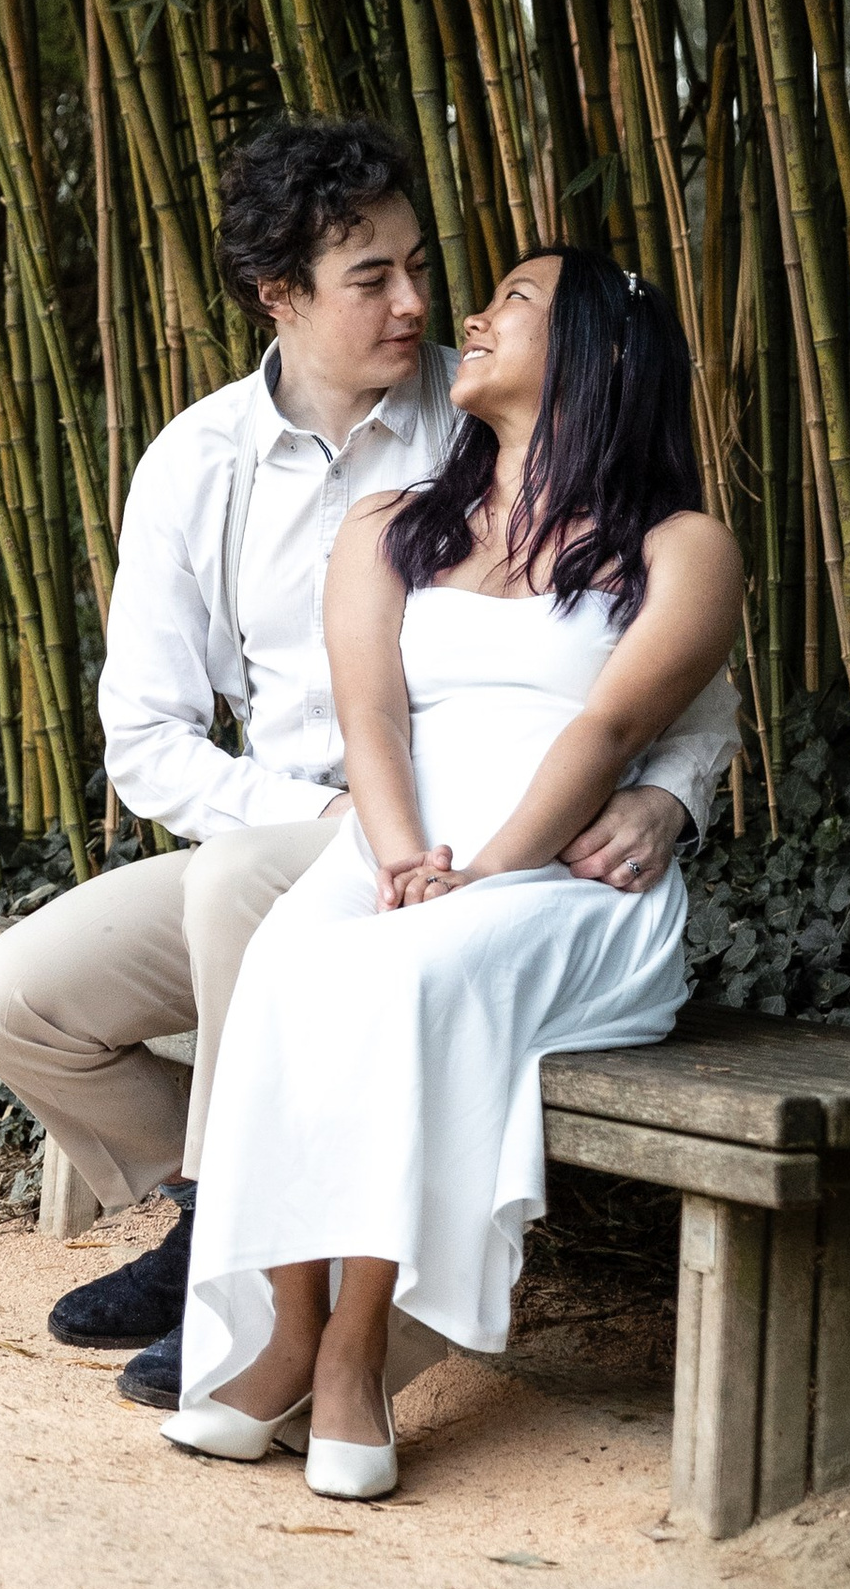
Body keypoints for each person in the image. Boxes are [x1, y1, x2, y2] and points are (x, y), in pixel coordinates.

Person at [0, 121, 738, 1411]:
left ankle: (254, 1267)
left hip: (474, 836)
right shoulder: (196, 464)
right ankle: (213, 1204)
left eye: (421, 266)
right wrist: (329, 815)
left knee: (237, 893)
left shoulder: (499, 416)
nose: (420, 303)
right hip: (308, 819)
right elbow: (147, 738)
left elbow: (655, 668)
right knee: (10, 1002)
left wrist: (665, 796)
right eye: (371, 278)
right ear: (282, 296)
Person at [163, 243, 743, 1500]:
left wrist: (480, 873)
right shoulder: (392, 524)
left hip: (565, 884)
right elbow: (369, 717)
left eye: (512, 304)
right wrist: (397, 858)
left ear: (596, 354)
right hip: (406, 846)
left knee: (408, 977)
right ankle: (288, 1326)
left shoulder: (681, 546)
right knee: (289, 956)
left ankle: (356, 1351)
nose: (467, 318)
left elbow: (605, 734)